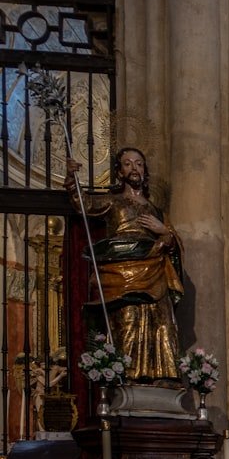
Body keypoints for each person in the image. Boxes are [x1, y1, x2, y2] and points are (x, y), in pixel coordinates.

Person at [65, 148, 184, 384]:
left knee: (161, 324)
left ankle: (164, 377)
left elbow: (174, 246)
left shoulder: (157, 211)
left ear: (145, 170)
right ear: (120, 171)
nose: (134, 168)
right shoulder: (113, 201)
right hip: (122, 276)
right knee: (128, 324)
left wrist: (165, 231)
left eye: (139, 164)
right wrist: (71, 180)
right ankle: (128, 378)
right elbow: (84, 204)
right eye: (128, 164)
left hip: (154, 272)